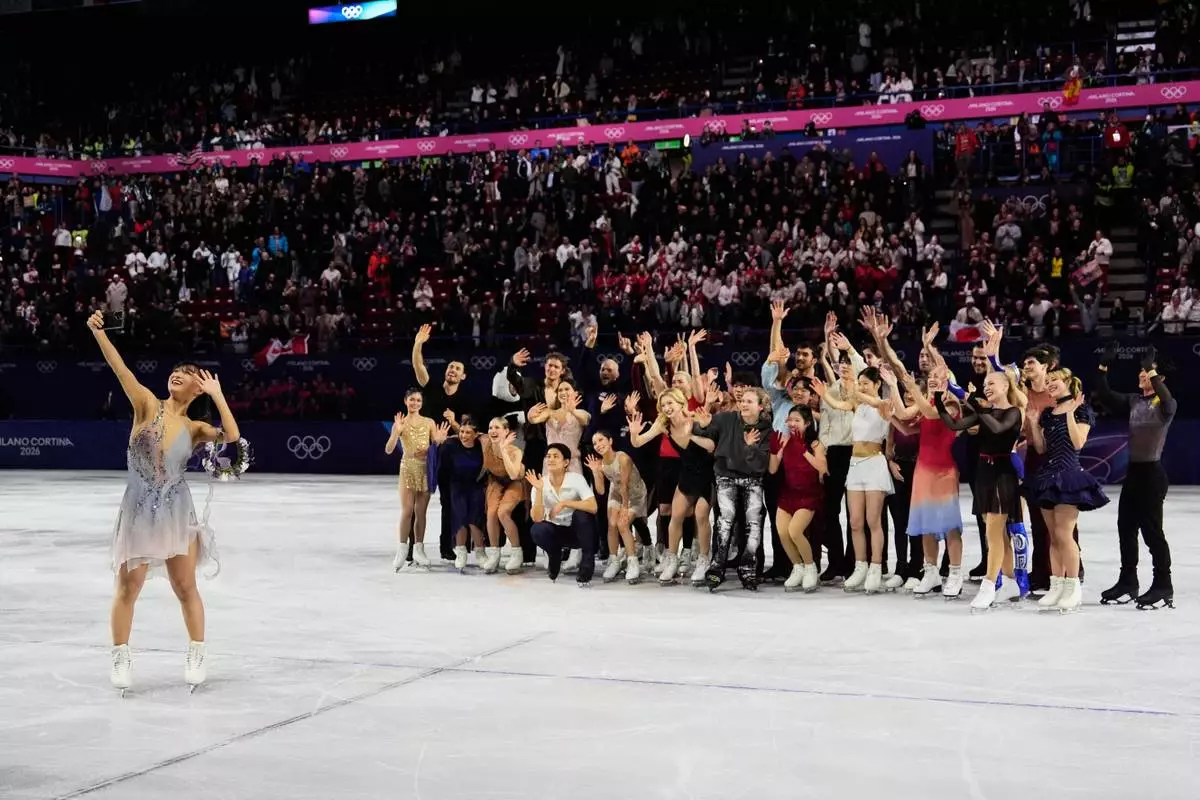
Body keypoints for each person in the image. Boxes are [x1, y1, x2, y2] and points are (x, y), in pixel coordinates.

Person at [88, 310, 240, 695]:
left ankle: (197, 650)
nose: (179, 374)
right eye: (177, 370)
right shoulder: (145, 403)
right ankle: (120, 655)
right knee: (128, 587)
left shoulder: (195, 428)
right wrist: (99, 333)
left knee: (185, 586)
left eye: (188, 373)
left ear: (197, 389)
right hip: (138, 510)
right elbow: (120, 368)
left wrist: (219, 395)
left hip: (176, 512)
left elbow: (233, 436)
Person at [935, 371, 1026, 610]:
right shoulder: (984, 412)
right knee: (998, 534)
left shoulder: (1013, 412)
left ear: (1006, 386)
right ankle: (1009, 582)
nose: (986, 387)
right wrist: (937, 398)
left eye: (991, 383)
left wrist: (976, 404)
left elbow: (997, 429)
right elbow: (953, 424)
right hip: (983, 474)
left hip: (1002, 474)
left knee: (993, 534)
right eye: (984, 384)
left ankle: (989, 585)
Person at [1095, 345, 1176, 609]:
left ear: (1159, 378)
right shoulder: (1134, 400)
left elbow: (1166, 400)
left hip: (1152, 475)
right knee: (1125, 529)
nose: (1141, 374)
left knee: (1152, 532)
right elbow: (1104, 395)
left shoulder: (1166, 404)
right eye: (1142, 371)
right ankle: (1128, 581)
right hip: (1134, 474)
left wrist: (1152, 369)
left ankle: (1163, 585)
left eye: (1147, 372)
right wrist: (1103, 368)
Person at [1026, 368, 1108, 613]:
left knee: (1064, 534)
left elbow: (1078, 442)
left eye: (1055, 381)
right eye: (1048, 381)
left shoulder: (1081, 409)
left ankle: (1073, 587)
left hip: (1070, 476)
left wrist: (1071, 413)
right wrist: (1032, 423)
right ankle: (1057, 585)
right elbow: (1041, 449)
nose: (1050, 384)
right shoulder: (1048, 414)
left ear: (1068, 383)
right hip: (1048, 476)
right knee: (1053, 536)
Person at [812, 364, 895, 593]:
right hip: (855, 465)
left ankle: (876, 567)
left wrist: (855, 390)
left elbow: (878, 404)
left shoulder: (884, 405)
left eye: (866, 383)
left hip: (875, 464)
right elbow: (839, 404)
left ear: (877, 384)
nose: (862, 387)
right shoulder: (857, 405)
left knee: (873, 521)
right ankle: (860, 566)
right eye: (860, 383)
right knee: (855, 521)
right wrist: (824, 395)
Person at [885, 367, 966, 599]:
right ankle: (930, 572)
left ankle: (955, 573)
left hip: (944, 471)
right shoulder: (926, 401)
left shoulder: (951, 405)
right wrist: (892, 386)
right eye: (931, 378)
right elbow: (904, 421)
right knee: (925, 524)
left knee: (949, 525)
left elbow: (932, 414)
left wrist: (913, 389)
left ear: (948, 382)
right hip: (923, 470)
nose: (932, 380)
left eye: (938, 378)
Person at [629, 387, 715, 585]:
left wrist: (692, 436)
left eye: (670, 403)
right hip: (686, 475)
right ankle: (672, 560)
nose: (667, 408)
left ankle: (703, 560)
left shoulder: (695, 419)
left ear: (681, 403)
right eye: (663, 404)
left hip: (707, 476)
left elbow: (712, 446)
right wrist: (634, 434)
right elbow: (638, 442)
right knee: (675, 517)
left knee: (701, 515)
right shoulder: (664, 425)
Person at [694, 387, 773, 591]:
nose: (744, 404)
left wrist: (749, 447)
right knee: (725, 519)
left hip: (753, 479)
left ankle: (748, 568)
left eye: (749, 401)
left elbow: (760, 465)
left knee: (754, 522)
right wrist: (702, 425)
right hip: (726, 476)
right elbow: (704, 429)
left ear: (760, 406)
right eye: (742, 401)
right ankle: (716, 566)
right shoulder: (726, 419)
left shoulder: (766, 429)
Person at [412, 324, 475, 560]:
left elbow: (470, 434)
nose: (452, 370)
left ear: (463, 376)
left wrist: (454, 423)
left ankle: (448, 547)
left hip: (452, 452)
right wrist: (418, 343)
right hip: (427, 451)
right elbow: (418, 366)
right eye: (450, 367)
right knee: (418, 502)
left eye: (457, 369)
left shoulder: (466, 400)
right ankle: (411, 549)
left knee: (451, 502)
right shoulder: (432, 389)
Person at [768, 405, 828, 592]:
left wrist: (804, 450)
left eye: (797, 421)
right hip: (788, 494)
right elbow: (772, 469)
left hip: (808, 494)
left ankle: (810, 567)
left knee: (795, 531)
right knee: (783, 532)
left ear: (807, 423)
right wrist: (773, 452)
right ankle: (797, 567)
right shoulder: (784, 441)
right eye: (790, 420)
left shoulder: (815, 444)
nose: (792, 424)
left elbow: (822, 468)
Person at [528, 444, 599, 584]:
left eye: (555, 456)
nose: (551, 459)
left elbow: (593, 506)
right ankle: (554, 555)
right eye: (548, 456)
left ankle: (587, 563)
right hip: (555, 531)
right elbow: (536, 518)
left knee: (583, 514)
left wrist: (565, 503)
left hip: (578, 531)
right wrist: (539, 491)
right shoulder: (540, 483)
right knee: (537, 530)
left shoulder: (576, 479)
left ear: (566, 462)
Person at [587, 430, 649, 583]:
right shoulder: (601, 464)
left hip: (634, 494)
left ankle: (633, 562)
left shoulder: (623, 458)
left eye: (601, 440)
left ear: (610, 441)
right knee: (612, 525)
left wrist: (625, 508)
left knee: (622, 523)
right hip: (616, 493)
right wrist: (595, 472)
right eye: (595, 443)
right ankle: (614, 561)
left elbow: (625, 485)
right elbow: (601, 490)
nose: (598, 445)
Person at [385, 389, 436, 571]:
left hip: (425, 469)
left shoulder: (430, 422)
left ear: (422, 403)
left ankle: (419, 550)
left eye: (418, 400)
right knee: (407, 511)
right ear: (405, 401)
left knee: (421, 512)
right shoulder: (400, 423)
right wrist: (395, 433)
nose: (415, 403)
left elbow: (436, 445)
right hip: (408, 468)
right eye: (412, 400)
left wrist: (436, 444)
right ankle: (401, 549)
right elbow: (389, 450)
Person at [433, 416, 487, 571]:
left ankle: (480, 552)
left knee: (474, 518)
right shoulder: (450, 445)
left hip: (476, 486)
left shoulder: (482, 446)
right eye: (462, 432)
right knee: (461, 516)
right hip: (456, 486)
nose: (463, 435)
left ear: (476, 434)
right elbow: (436, 462)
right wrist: (437, 442)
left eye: (468, 432)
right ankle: (461, 551)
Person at [481, 417, 526, 574]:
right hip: (496, 481)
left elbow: (514, 474)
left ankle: (516, 553)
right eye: (490, 427)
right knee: (492, 513)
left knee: (503, 513)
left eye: (497, 427)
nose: (493, 430)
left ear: (506, 431)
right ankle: (494, 555)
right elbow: (468, 434)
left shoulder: (515, 451)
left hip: (515, 482)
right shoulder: (485, 442)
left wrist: (504, 449)